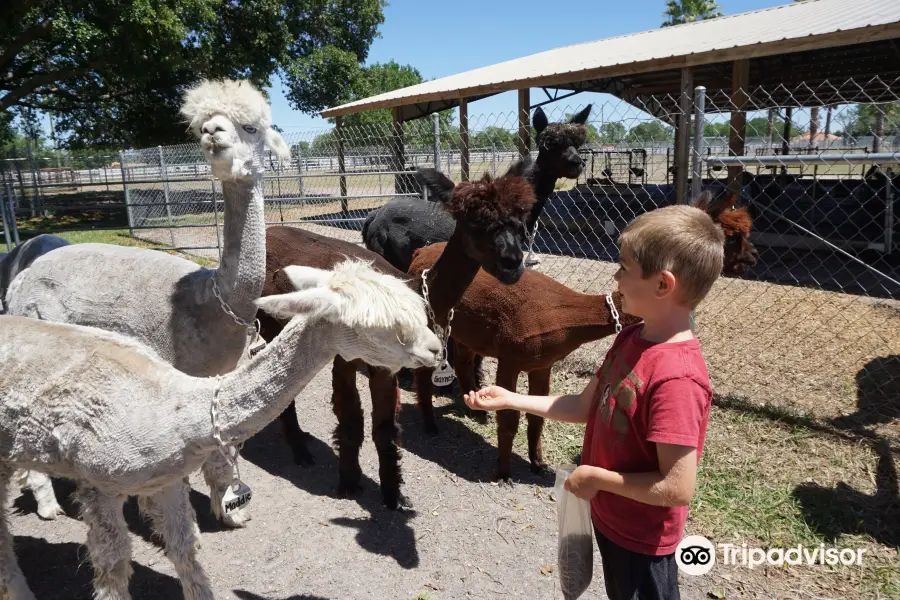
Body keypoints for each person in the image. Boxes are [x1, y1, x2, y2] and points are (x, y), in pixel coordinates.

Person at [464, 204, 725, 600]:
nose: (615, 276)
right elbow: (586, 407)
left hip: (642, 540)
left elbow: (677, 487)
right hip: (608, 514)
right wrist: (511, 399)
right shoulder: (630, 338)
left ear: (662, 285)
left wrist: (595, 478)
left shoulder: (678, 378)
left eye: (624, 268)